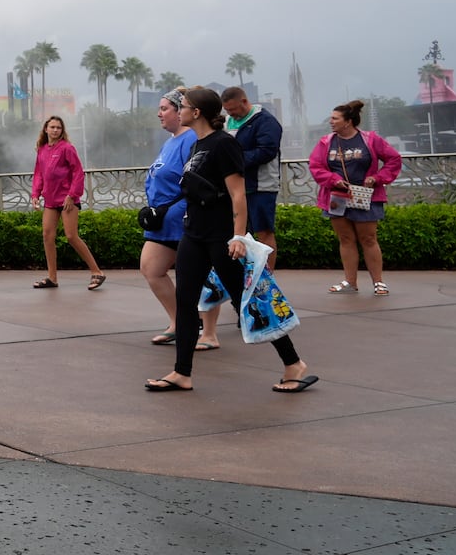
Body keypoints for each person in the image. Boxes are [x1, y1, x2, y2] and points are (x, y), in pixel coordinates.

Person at [146, 87, 315, 393]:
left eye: (182, 106)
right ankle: (181, 372)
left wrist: (238, 236)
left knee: (247, 300)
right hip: (193, 235)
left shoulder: (224, 144)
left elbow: (238, 195)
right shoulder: (198, 144)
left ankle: (294, 365)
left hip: (220, 238)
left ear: (196, 113)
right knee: (186, 303)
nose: (178, 109)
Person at [197, 86, 284, 347]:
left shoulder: (266, 121)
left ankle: (264, 285)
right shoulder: (228, 123)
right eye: (228, 111)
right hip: (233, 188)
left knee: (263, 234)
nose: (231, 113)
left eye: (234, 109)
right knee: (236, 237)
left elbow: (267, 151)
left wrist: (231, 159)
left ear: (244, 102)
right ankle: (241, 295)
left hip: (259, 187)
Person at [308, 99, 403, 296]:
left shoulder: (370, 139)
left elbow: (393, 159)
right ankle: (350, 281)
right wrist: (333, 180)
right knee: (345, 238)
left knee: (368, 238)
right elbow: (316, 166)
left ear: (348, 121)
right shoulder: (326, 142)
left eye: (335, 118)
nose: (331, 122)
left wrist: (378, 178)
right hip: (337, 196)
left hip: (365, 196)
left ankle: (378, 282)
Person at [142, 89, 198, 346]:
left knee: (203, 277)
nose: (159, 113)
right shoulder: (171, 141)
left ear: (181, 111)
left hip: (182, 220)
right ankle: (181, 322)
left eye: (165, 108)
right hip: (162, 220)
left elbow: (195, 181)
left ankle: (204, 330)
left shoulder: (191, 139)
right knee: (151, 268)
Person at [29, 115, 105, 290]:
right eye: (52, 127)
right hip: (50, 200)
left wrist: (72, 195)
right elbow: (39, 174)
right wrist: (35, 194)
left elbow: (78, 172)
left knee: (71, 236)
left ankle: (97, 272)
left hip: (67, 200)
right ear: (46, 129)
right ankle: (52, 278)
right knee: (47, 236)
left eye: (59, 128)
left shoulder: (67, 148)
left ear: (62, 131)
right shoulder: (42, 150)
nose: (55, 130)